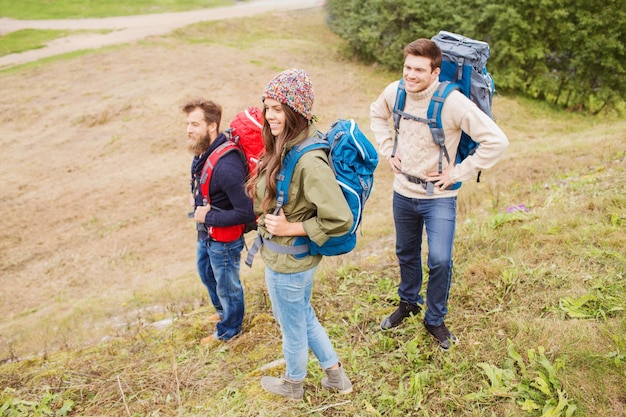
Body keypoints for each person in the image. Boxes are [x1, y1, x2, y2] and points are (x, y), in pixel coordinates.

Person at [369, 38, 509, 350]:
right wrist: (387, 149)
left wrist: (457, 173)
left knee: (441, 259)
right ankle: (408, 303)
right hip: (403, 191)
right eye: (407, 67)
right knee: (405, 252)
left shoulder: (453, 103)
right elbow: (376, 113)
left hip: (439, 197)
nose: (411, 75)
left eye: (419, 69)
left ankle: (434, 319)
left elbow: (496, 141)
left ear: (435, 72)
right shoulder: (396, 92)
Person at [247, 68, 353, 400]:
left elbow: (340, 218)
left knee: (292, 328)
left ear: (296, 111)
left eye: (277, 109)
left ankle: (293, 385)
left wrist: (292, 227)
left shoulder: (309, 162)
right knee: (302, 315)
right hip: (286, 258)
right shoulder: (289, 144)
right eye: (267, 107)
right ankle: (335, 376)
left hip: (290, 263)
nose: (269, 115)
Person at [183, 98, 256, 345]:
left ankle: (229, 330)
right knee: (205, 272)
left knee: (228, 286)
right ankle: (224, 313)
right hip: (208, 233)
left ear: (212, 126)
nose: (189, 130)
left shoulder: (227, 166)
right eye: (188, 124)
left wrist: (209, 216)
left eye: (195, 124)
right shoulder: (205, 151)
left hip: (224, 240)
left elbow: (247, 213)